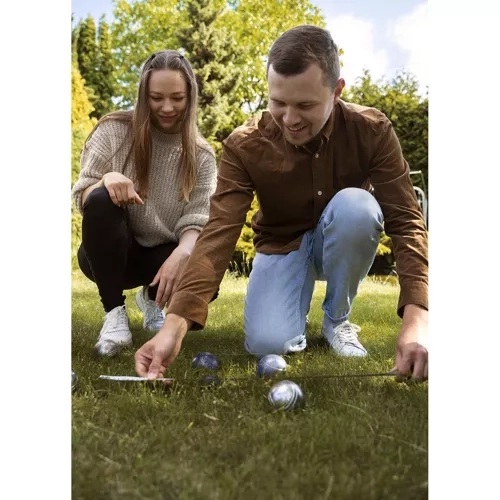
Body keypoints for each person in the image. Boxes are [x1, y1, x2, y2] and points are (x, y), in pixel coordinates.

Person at [134, 26, 429, 382]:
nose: (290, 119)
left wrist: (417, 323)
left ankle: (337, 320)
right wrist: (173, 328)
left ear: (336, 92)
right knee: (267, 341)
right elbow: (218, 235)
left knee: (358, 206)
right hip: (281, 245)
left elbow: (406, 221)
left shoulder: (372, 130)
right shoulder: (245, 145)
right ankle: (293, 308)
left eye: (305, 105)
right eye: (278, 103)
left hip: (343, 235)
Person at [72, 50, 217, 357]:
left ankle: (153, 299)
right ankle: (114, 315)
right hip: (114, 254)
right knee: (100, 198)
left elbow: (198, 217)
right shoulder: (113, 130)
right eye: (156, 98)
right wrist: (107, 179)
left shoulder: (202, 156)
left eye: (177, 98)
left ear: (190, 97)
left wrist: (184, 253)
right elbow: (82, 196)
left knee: (206, 271)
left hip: (162, 256)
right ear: (143, 94)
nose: (167, 108)